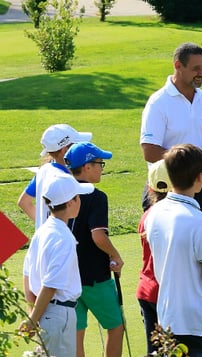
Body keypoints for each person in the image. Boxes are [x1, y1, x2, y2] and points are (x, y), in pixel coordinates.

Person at [144, 144, 202, 356]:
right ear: (199, 178)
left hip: (168, 318)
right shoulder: (199, 222)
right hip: (201, 322)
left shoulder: (154, 213)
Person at [140, 42, 202, 215]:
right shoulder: (158, 102)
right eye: (196, 68)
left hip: (196, 187)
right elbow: (149, 151)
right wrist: (200, 159)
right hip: (164, 188)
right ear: (178, 66)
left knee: (197, 240)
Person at [19, 173, 95, 357]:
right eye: (77, 197)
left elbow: (27, 274)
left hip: (45, 312)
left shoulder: (43, 230)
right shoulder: (64, 238)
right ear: (70, 203)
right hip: (59, 314)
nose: (80, 201)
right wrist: (32, 318)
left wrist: (33, 312)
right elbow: (51, 285)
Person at [64, 142, 124, 357]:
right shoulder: (97, 197)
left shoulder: (62, 192)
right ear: (87, 167)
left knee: (76, 332)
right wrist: (115, 254)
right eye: (99, 163)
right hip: (95, 277)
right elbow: (98, 236)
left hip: (68, 277)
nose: (101, 167)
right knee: (116, 327)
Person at [18, 123, 92, 229]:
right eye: (77, 145)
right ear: (65, 150)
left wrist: (43, 225)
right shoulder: (65, 177)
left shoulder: (44, 170)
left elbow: (23, 202)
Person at [136, 159, 171, 354]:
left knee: (155, 351)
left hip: (146, 290)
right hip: (167, 295)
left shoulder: (147, 215)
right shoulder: (176, 216)